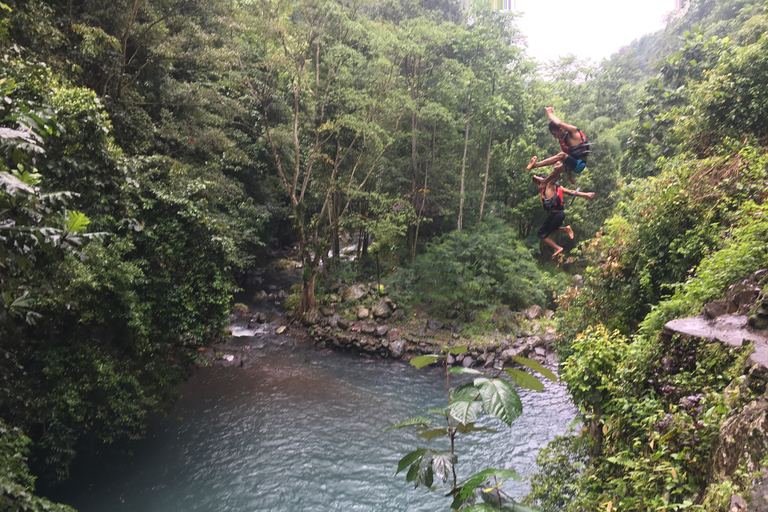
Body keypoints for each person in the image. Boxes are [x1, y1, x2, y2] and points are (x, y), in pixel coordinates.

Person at [533, 170, 595, 258]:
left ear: (542, 182)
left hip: (556, 215)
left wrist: (558, 167)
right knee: (548, 232)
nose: (538, 188)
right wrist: (586, 194)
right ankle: (566, 229)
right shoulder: (556, 187)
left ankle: (558, 248)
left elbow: (556, 175)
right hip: (558, 215)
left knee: (541, 234)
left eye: (538, 185)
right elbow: (571, 192)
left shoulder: (550, 185)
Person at [527, 106, 591, 184]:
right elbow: (568, 160)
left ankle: (535, 165)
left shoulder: (573, 131)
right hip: (574, 163)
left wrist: (550, 113)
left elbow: (558, 123)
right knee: (557, 168)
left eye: (554, 134)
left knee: (561, 155)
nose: (554, 137)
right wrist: (570, 177)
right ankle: (545, 180)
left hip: (579, 165)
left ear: (560, 130)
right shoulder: (563, 140)